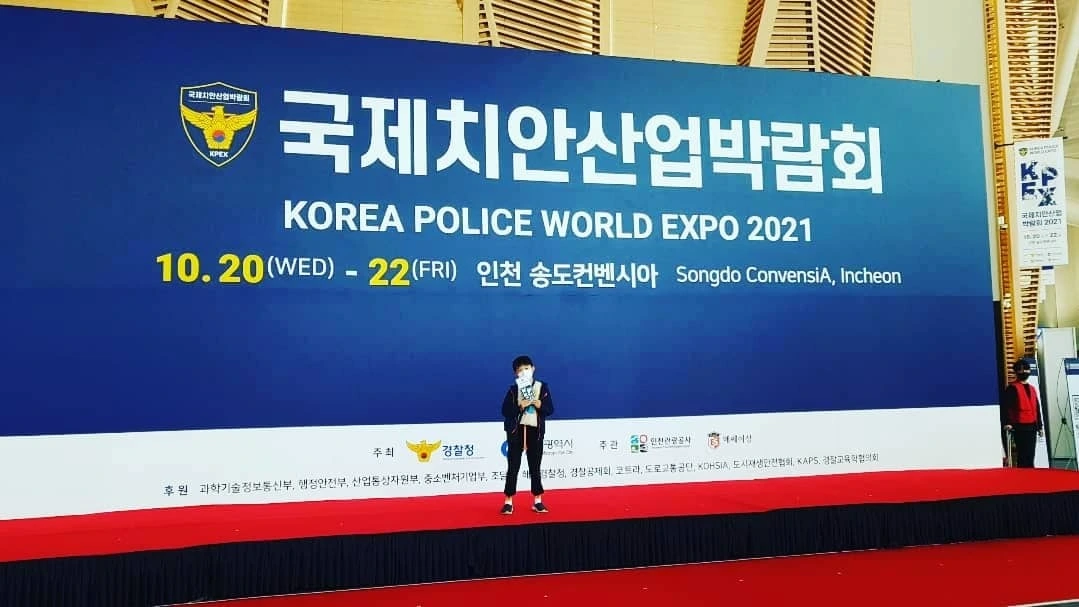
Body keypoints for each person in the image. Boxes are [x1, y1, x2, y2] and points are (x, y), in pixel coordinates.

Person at [500, 355, 554, 514]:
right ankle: (508, 501)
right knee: (513, 467)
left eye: (526, 368)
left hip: (535, 432)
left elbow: (550, 409)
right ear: (516, 373)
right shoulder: (513, 390)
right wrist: (519, 406)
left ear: (533, 369)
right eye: (520, 370)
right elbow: (505, 411)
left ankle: (538, 500)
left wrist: (540, 404)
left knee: (535, 467)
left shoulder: (542, 387)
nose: (524, 372)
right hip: (516, 432)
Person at [1001, 359, 1043, 468]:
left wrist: (1040, 426)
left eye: (1026, 369)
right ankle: (1023, 475)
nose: (1024, 372)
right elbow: (1006, 407)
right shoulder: (1012, 388)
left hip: (1032, 426)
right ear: (1016, 372)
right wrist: (1008, 423)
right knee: (1023, 455)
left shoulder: (1032, 388)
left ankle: (1030, 474)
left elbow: (1037, 408)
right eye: (1021, 370)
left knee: (1030, 455)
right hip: (1020, 426)